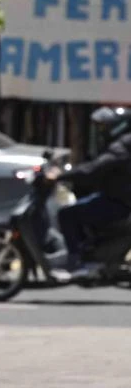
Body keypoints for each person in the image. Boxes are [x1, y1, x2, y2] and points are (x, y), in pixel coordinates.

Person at [47, 106, 131, 281]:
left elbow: (93, 170)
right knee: (80, 206)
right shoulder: (122, 145)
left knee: (67, 214)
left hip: (117, 203)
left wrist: (61, 176)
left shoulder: (120, 148)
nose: (100, 131)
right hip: (114, 197)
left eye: (103, 127)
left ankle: (76, 262)